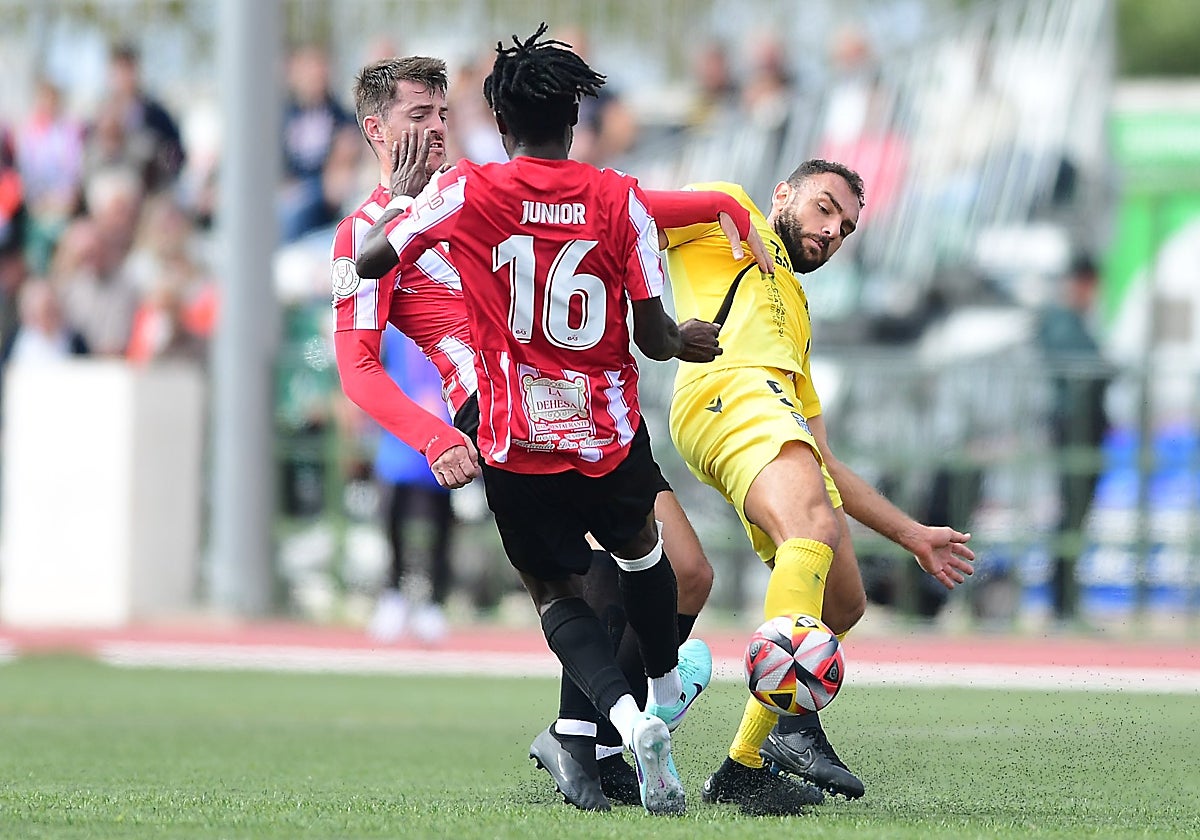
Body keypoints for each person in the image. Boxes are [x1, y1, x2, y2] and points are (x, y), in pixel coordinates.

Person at [347, 27, 741, 815]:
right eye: (417, 114)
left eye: (441, 111)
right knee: (625, 572)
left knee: (666, 575)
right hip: (496, 409)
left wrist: (720, 200)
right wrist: (433, 436)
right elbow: (357, 363)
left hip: (545, 412)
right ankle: (607, 731)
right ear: (376, 130)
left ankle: (591, 733)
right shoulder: (376, 223)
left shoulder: (472, 190)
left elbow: (600, 202)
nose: (433, 127)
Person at [661, 160, 977, 815]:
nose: (832, 230)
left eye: (847, 227)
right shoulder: (723, 205)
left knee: (842, 601)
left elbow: (824, 458)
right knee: (811, 529)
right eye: (824, 208)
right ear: (785, 193)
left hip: (766, 402)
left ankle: (749, 760)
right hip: (726, 386)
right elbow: (629, 212)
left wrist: (911, 533)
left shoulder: (797, 312)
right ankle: (779, 738)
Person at [367, 328, 457, 644]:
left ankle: (432, 602)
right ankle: (392, 595)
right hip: (398, 431)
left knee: (440, 524)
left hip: (442, 430)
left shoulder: (448, 313)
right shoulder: (390, 326)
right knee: (391, 517)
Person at [1035, 253, 1111, 622]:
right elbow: (1084, 369)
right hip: (1073, 429)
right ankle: (1062, 601)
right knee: (1070, 513)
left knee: (1075, 516)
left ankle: (1065, 599)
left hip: (1086, 429)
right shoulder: (1060, 320)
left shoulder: (1072, 321)